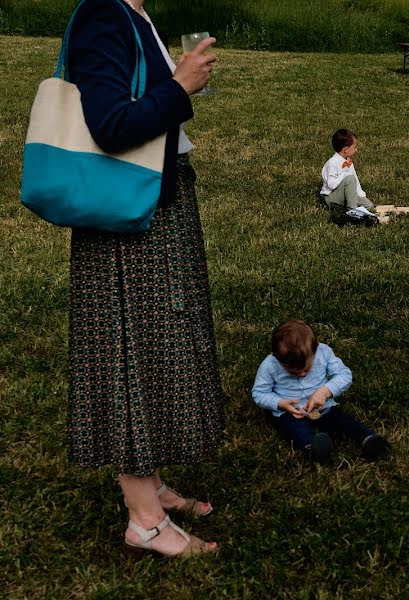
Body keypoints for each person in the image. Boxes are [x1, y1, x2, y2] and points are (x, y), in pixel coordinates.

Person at [66, 0, 223, 558]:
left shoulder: (134, 12)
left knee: (154, 345)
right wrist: (178, 87)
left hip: (150, 210)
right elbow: (110, 126)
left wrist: (177, 86)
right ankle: (145, 520)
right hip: (124, 225)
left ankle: (148, 478)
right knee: (130, 352)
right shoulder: (103, 13)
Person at [252, 320, 389, 463]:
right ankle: (313, 449)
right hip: (292, 412)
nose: (302, 375)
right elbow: (259, 393)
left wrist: (325, 392)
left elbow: (344, 375)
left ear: (315, 350)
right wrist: (280, 403)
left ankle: (369, 439)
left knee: (344, 421)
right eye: (293, 372)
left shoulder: (324, 353)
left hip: (323, 407)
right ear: (277, 358)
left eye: (306, 369)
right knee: (295, 430)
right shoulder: (270, 365)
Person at [320, 129, 376, 215]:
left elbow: (355, 179)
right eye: (354, 147)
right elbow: (331, 185)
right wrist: (344, 175)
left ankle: (350, 207)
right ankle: (352, 211)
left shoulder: (348, 162)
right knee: (349, 179)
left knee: (369, 206)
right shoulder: (332, 163)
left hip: (345, 194)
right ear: (346, 149)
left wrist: (361, 195)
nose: (356, 150)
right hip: (331, 196)